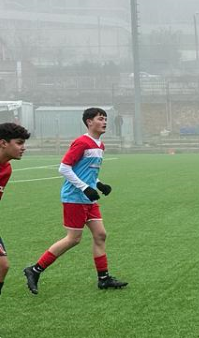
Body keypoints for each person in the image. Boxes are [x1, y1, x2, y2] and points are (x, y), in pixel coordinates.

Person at [23, 107, 127, 294]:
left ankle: (103, 279)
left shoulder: (100, 145)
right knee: (73, 239)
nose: (104, 122)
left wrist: (99, 184)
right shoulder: (81, 142)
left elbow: (86, 171)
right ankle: (35, 269)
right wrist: (85, 188)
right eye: (100, 118)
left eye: (105, 119)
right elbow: (64, 168)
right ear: (89, 122)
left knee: (100, 235)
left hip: (88, 199)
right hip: (74, 198)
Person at [0, 123, 30, 298]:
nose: (23, 148)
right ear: (3, 143)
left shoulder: (6, 168)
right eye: (19, 143)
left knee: (2, 266)